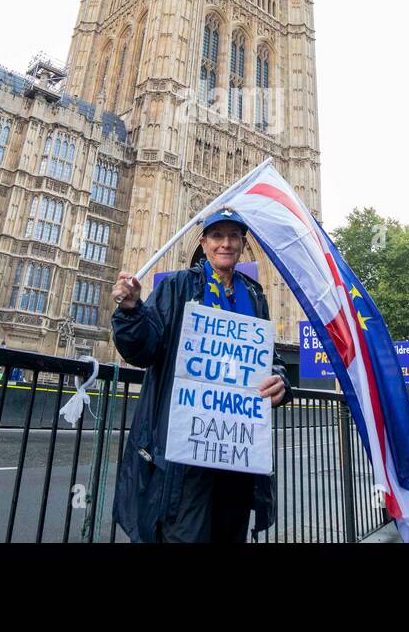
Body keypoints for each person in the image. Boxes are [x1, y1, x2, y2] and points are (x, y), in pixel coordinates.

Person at [111, 208, 292, 543]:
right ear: (204, 242)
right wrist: (131, 310)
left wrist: (281, 380)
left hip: (237, 458)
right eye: (217, 236)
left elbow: (271, 361)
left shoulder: (253, 295)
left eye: (233, 237)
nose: (226, 244)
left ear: (242, 243)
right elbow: (144, 349)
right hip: (186, 460)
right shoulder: (178, 288)